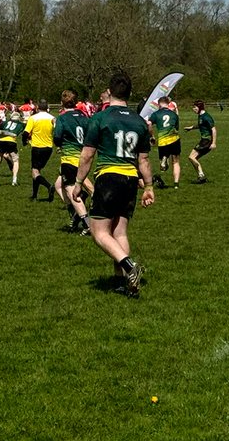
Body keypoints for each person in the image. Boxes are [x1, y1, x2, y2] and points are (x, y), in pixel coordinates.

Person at [71, 72, 154, 297]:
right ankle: (123, 282)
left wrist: (78, 182)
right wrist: (148, 187)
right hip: (130, 180)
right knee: (120, 232)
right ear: (129, 92)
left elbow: (87, 155)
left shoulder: (101, 117)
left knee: (99, 233)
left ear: (109, 91)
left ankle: (129, 267)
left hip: (108, 177)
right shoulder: (139, 121)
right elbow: (144, 160)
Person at [52, 90, 92, 233]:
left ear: (62, 102)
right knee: (58, 185)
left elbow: (57, 137)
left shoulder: (62, 118)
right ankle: (74, 214)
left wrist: (59, 141)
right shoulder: (84, 116)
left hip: (69, 159)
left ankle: (87, 224)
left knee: (71, 191)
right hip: (82, 158)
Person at [24, 99, 56, 201]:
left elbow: (25, 133)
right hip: (48, 148)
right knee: (37, 171)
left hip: (37, 147)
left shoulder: (33, 118)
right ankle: (34, 195)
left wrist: (24, 141)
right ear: (47, 108)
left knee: (35, 171)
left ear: (37, 108)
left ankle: (49, 186)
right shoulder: (52, 118)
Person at [147, 96, 181, 189]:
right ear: (168, 104)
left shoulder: (156, 114)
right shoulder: (174, 114)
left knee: (163, 168)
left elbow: (149, 123)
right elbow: (177, 128)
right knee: (176, 162)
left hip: (163, 141)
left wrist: (152, 136)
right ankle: (176, 184)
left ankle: (164, 158)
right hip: (175, 139)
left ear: (159, 104)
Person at [0, 111, 25, 185]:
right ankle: (14, 180)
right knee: (15, 160)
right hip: (11, 141)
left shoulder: (5, 122)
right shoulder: (21, 124)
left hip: (0, 140)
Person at [186, 99, 216, 183]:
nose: (193, 109)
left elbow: (213, 129)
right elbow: (200, 125)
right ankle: (201, 176)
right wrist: (191, 128)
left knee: (191, 157)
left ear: (199, 107)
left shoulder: (206, 117)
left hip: (206, 141)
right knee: (193, 158)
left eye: (194, 107)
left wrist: (213, 143)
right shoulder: (200, 116)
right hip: (204, 140)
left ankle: (201, 175)